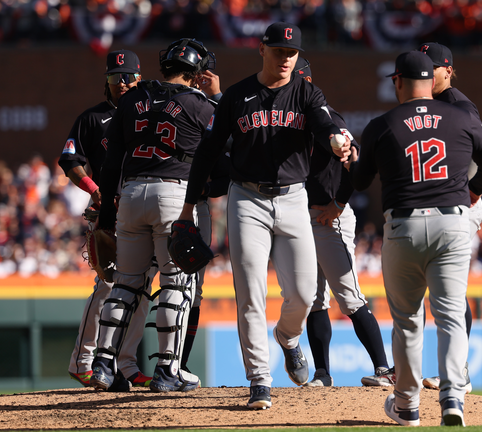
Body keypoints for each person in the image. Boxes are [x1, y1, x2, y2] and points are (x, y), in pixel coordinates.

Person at [176, 22, 351, 409]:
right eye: (279, 51)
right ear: (262, 49)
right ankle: (259, 380)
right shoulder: (237, 96)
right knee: (251, 295)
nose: (286, 59)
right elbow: (207, 151)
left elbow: (325, 123)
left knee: (304, 296)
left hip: (293, 199)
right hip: (247, 200)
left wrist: (338, 138)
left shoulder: (306, 93)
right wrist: (188, 206)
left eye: (292, 53)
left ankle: (288, 338)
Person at [346, 51, 482, 426]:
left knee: (408, 321)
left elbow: (360, 182)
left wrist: (351, 158)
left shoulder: (382, 125)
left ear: (397, 81)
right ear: (432, 80)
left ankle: (407, 406)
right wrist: (473, 191)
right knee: (450, 315)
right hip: (452, 222)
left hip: (404, 226)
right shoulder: (462, 116)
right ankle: (452, 397)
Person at [89, 38, 221, 393]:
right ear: (196, 73)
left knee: (126, 284)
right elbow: (230, 144)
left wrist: (105, 213)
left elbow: (111, 160)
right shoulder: (201, 105)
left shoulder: (131, 99)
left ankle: (102, 363)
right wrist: (218, 96)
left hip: (130, 194)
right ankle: (167, 370)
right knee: (176, 283)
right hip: (174, 195)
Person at [293, 57, 394, 387]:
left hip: (327, 216)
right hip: (302, 216)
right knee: (314, 298)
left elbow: (357, 160)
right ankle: (322, 373)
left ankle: (384, 368)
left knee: (349, 296)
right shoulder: (288, 122)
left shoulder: (324, 117)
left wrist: (339, 203)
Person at [59, 49, 155, 389]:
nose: (123, 83)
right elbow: (69, 158)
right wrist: (94, 189)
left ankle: (126, 365)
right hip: (110, 213)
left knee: (143, 289)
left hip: (143, 208)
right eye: (116, 77)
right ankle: (82, 361)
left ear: (139, 78)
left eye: (129, 76)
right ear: (108, 81)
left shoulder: (150, 114)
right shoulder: (93, 118)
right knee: (109, 286)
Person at [417, 41, 482, 393]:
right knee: (439, 289)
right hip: (441, 203)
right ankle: (456, 370)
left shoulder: (457, 104)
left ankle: (459, 372)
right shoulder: (430, 103)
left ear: (448, 69)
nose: (427, 72)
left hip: (462, 202)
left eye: (433, 66)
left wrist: (470, 193)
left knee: (447, 290)